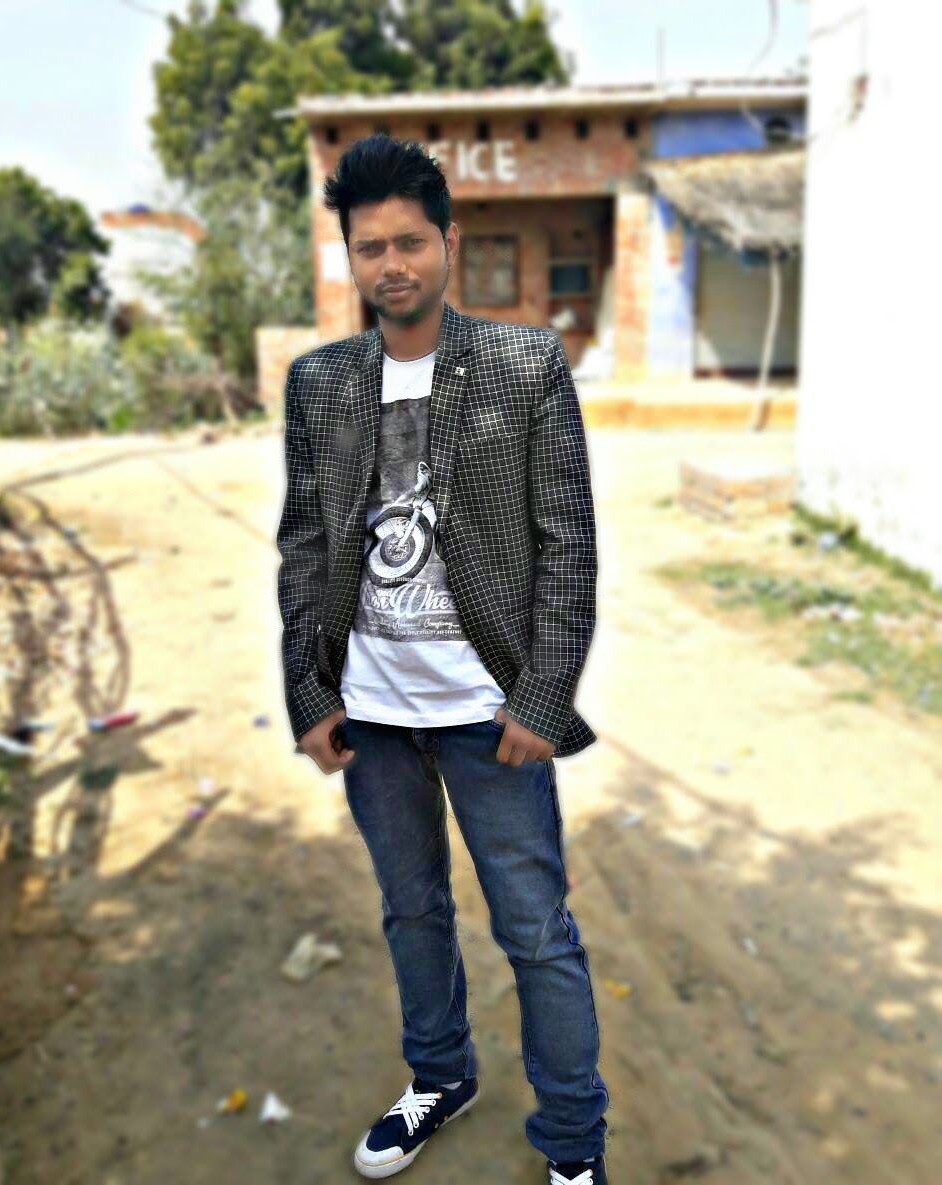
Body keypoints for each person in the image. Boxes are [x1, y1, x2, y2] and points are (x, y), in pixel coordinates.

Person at [276, 133, 611, 1184]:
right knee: (410, 912)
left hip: (488, 713)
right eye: (369, 246)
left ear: (448, 245)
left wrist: (542, 698)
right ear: (349, 255)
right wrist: (307, 691)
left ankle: (572, 1144)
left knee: (535, 931)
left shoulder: (523, 365)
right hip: (371, 715)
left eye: (410, 242)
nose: (392, 264)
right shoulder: (320, 382)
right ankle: (439, 1076)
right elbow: (304, 544)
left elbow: (567, 544)